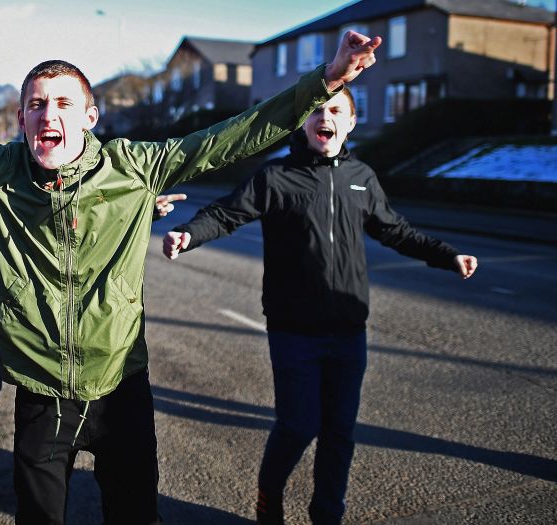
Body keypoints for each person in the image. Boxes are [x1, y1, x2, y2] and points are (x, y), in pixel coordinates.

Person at [0, 28, 382, 523]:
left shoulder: (138, 167)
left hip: (121, 388)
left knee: (134, 514)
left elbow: (237, 134)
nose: (46, 114)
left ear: (89, 116)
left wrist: (327, 79)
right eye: (33, 105)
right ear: (21, 119)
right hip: (40, 394)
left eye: (61, 104)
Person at [163, 88, 479, 524]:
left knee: (339, 433)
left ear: (350, 123)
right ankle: (268, 497)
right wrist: (188, 234)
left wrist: (448, 255)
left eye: (335, 111)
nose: (323, 118)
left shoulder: (362, 177)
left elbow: (397, 231)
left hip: (349, 331)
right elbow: (225, 214)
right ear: (302, 124)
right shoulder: (276, 177)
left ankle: (327, 514)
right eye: (315, 111)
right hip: (294, 329)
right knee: (298, 425)